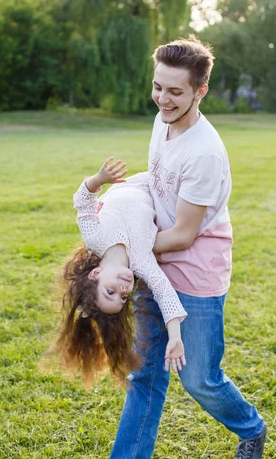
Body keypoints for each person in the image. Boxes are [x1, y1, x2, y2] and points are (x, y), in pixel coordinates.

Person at [72, 36, 266, 459]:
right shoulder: (164, 121)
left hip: (195, 271)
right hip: (149, 263)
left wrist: (127, 249)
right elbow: (154, 183)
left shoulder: (205, 153)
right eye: (158, 87)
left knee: (198, 377)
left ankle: (252, 429)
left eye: (175, 92)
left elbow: (182, 234)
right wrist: (116, 214)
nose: (162, 99)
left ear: (200, 91)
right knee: (146, 374)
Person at [52, 158, 188, 387]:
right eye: (123, 297)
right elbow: (165, 294)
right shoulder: (142, 261)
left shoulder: (95, 238)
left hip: (130, 183)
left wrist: (98, 179)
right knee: (191, 173)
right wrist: (175, 336)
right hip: (159, 190)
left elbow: (82, 203)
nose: (123, 291)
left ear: (96, 274)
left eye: (110, 291)